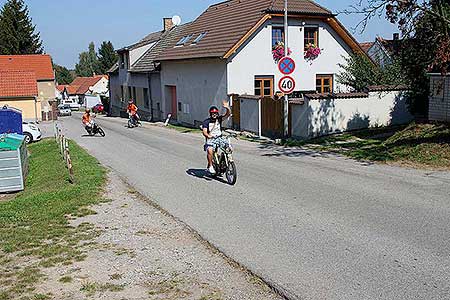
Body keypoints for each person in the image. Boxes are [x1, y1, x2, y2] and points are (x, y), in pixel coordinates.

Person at [202, 100, 231, 175]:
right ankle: (211, 166)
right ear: (210, 114)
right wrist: (208, 135)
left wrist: (227, 108)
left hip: (219, 138)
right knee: (210, 150)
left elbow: (228, 114)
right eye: (213, 113)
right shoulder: (206, 121)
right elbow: (204, 131)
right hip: (211, 139)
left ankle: (226, 161)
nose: (214, 114)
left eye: (215, 113)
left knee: (228, 147)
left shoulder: (219, 119)